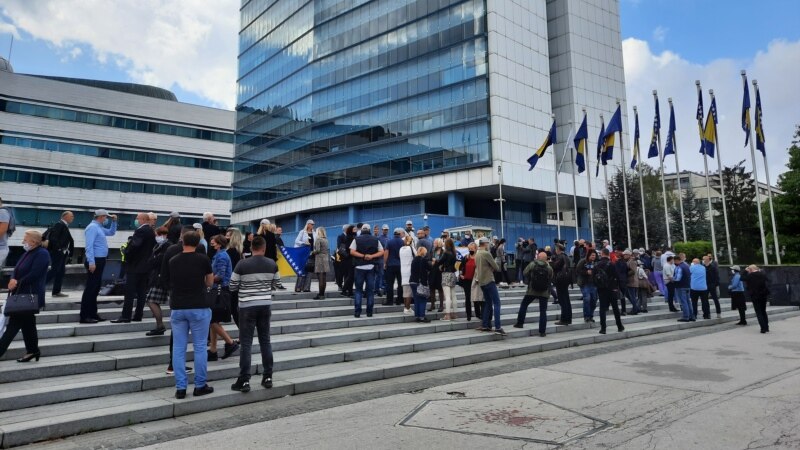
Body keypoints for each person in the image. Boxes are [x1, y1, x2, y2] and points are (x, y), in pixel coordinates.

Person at [163, 231, 214, 399]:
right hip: (198, 305)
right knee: (200, 347)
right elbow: (209, 282)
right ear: (198, 242)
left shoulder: (173, 260)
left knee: (178, 348)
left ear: (182, 241)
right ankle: (200, 385)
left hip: (178, 307)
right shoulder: (203, 259)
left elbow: (167, 281)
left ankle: (181, 388)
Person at [229, 236, 277, 392]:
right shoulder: (272, 264)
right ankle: (268, 376)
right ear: (264, 248)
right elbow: (276, 285)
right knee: (265, 341)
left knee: (246, 343)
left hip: (246, 307)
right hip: (264, 305)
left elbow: (232, 286)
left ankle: (244, 380)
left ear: (251, 248)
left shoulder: (242, 264)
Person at [0, 230, 49, 362]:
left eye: (25, 239)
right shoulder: (28, 253)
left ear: (33, 241)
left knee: (13, 325)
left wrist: (17, 282)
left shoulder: (42, 254)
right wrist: (12, 279)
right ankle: (33, 351)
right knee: (28, 324)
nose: (23, 242)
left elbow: (35, 274)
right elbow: (16, 270)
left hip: (29, 295)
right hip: (21, 293)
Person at [113, 212, 156, 323]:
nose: (136, 220)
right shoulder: (151, 231)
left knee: (129, 292)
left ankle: (126, 316)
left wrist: (126, 254)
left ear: (142, 219)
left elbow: (134, 246)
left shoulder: (141, 231)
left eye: (137, 218)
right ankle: (138, 315)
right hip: (145, 267)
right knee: (141, 292)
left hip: (135, 266)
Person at [80, 209, 117, 323]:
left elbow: (111, 232)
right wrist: (91, 262)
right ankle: (85, 315)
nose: (106, 219)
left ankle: (93, 313)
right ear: (101, 217)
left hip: (100, 260)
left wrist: (114, 222)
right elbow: (89, 246)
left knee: (95, 288)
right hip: (95, 260)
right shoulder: (92, 227)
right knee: (90, 288)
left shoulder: (99, 227)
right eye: (106, 217)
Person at [208, 235, 238, 361]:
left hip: (219, 290)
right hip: (219, 290)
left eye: (213, 242)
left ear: (219, 244)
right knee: (214, 320)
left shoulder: (221, 256)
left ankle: (230, 342)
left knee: (212, 319)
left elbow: (220, 275)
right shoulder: (220, 254)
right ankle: (213, 350)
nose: (211, 244)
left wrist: (206, 280)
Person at [514, 251, 553, 337]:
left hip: (532, 290)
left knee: (524, 304)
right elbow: (551, 277)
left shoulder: (533, 264)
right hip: (544, 292)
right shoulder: (548, 267)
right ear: (546, 259)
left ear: (538, 257)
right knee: (543, 311)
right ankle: (542, 332)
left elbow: (524, 272)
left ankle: (520, 323)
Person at [350, 223, 384, 318]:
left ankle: (357, 312)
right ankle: (369, 312)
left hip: (359, 267)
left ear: (362, 230)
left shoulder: (356, 239)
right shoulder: (375, 239)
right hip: (371, 267)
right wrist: (371, 256)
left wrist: (363, 256)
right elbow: (381, 251)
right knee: (370, 291)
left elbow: (352, 251)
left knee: (358, 290)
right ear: (369, 230)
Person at [144, 227, 171, 335]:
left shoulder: (167, 246)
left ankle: (160, 325)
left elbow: (157, 261)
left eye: (157, 235)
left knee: (151, 300)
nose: (156, 237)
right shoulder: (158, 246)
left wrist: (154, 259)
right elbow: (152, 261)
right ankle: (159, 325)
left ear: (162, 235)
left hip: (161, 278)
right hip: (156, 276)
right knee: (152, 301)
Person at [475, 237, 505, 336]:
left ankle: (485, 324)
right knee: (497, 303)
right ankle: (498, 327)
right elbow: (496, 267)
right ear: (485, 244)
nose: (489, 244)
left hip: (481, 282)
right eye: (488, 243)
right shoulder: (486, 254)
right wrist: (494, 264)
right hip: (489, 280)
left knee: (488, 303)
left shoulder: (477, 254)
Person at [44, 211, 75, 298]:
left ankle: (56, 291)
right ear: (65, 216)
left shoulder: (64, 225)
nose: (73, 218)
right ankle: (39, 286)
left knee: (60, 272)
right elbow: (54, 238)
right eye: (71, 216)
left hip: (62, 253)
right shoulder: (59, 225)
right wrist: (59, 249)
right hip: (57, 252)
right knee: (54, 270)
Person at [595, 248, 624, 334]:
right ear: (608, 254)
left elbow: (594, 277)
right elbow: (617, 277)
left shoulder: (597, 265)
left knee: (602, 309)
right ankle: (619, 326)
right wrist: (618, 288)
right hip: (612, 289)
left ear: (602, 254)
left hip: (601, 289)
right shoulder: (612, 264)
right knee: (615, 308)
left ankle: (603, 328)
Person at [741, 265, 770, 333]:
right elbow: (767, 281)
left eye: (749, 269)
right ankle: (766, 327)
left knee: (758, 312)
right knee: (763, 311)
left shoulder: (750, 276)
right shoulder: (762, 274)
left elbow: (741, 278)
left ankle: (763, 328)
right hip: (763, 295)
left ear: (750, 269)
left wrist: (745, 271)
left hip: (755, 296)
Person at [225, 228, 244, 326]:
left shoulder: (232, 251)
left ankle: (243, 333)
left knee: (234, 309)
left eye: (228, 236)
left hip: (232, 283)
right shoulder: (239, 251)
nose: (225, 237)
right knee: (235, 309)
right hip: (238, 282)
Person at [383, 227, 405, 306]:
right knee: (400, 284)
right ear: (400, 234)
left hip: (390, 265)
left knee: (390, 284)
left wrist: (385, 263)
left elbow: (386, 253)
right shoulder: (403, 242)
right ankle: (399, 300)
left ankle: (390, 301)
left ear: (394, 234)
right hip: (400, 265)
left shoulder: (389, 242)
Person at [551, 244, 572, 326]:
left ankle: (564, 319)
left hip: (561, 280)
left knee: (562, 300)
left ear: (558, 249)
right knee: (566, 299)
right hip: (566, 280)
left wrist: (552, 262)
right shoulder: (566, 257)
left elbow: (555, 266)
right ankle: (568, 318)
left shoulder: (560, 257)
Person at [409, 246, 431, 323]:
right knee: (422, 299)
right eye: (425, 252)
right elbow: (430, 268)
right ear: (423, 252)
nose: (426, 253)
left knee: (416, 300)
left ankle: (417, 316)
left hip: (412, 281)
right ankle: (422, 316)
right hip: (420, 282)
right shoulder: (423, 260)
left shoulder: (414, 259)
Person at [459, 242, 479, 321]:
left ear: (475, 249)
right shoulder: (466, 257)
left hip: (475, 280)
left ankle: (478, 313)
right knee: (468, 297)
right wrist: (461, 274)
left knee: (476, 297)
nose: (470, 250)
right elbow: (460, 267)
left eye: (472, 249)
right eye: (469, 249)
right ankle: (468, 315)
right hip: (466, 280)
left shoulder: (478, 258)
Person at [576, 250, 598, 323]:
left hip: (593, 284)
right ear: (588, 255)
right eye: (592, 255)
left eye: (594, 255)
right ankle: (587, 316)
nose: (593, 257)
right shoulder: (583, 261)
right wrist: (586, 272)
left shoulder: (595, 263)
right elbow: (577, 270)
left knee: (594, 300)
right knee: (587, 299)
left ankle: (591, 315)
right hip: (584, 283)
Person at [439, 238, 458, 321]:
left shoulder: (446, 253)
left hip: (446, 274)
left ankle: (447, 315)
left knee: (447, 296)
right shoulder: (454, 253)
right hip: (453, 274)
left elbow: (440, 261)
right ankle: (454, 314)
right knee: (453, 295)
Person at [294, 220, 315, 292]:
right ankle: (298, 287)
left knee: (309, 271)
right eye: (311, 224)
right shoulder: (302, 232)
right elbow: (296, 241)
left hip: (312, 254)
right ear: (308, 224)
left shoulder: (314, 233)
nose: (313, 225)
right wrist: (304, 243)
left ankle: (307, 287)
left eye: (313, 224)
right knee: (301, 270)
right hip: (303, 253)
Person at [399, 234, 416, 315]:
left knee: (405, 292)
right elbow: (416, 256)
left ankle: (406, 307)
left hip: (403, 271)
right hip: (410, 272)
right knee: (409, 292)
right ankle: (407, 308)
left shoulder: (401, 249)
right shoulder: (411, 248)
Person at [674, 255, 694, 322]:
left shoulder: (679, 267)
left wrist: (672, 279)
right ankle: (692, 316)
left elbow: (678, 278)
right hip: (687, 286)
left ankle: (686, 317)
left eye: (675, 261)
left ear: (677, 260)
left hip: (681, 286)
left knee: (683, 302)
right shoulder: (686, 266)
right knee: (688, 301)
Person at [312, 227, 330, 300]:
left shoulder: (318, 240)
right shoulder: (326, 240)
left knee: (320, 278)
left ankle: (320, 295)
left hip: (319, 259)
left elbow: (318, 250)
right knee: (324, 278)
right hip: (325, 259)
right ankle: (322, 294)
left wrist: (312, 252)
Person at [428, 238, 445, 313]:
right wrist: (431, 263)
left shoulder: (443, 252)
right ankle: (432, 305)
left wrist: (438, 262)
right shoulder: (432, 251)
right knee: (432, 288)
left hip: (440, 272)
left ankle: (441, 305)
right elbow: (428, 259)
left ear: (439, 244)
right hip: (432, 271)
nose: (434, 244)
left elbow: (445, 261)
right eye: (434, 243)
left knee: (440, 289)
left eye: (435, 243)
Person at [703, 254, 722, 319]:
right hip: (705, 285)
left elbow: (717, 276)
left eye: (704, 259)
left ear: (707, 260)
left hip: (712, 285)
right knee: (705, 300)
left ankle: (718, 312)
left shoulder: (713, 267)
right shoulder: (703, 267)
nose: (703, 261)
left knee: (715, 299)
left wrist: (715, 284)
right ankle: (707, 313)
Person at [340, 225, 356, 297]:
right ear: (351, 230)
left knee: (351, 276)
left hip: (350, 258)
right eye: (354, 229)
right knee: (350, 276)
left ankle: (350, 292)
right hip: (350, 259)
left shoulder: (352, 237)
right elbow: (349, 248)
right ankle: (344, 290)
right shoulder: (350, 237)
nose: (355, 229)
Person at [374, 225, 388, 296]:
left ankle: (384, 289)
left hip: (386, 259)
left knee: (385, 275)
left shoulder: (388, 238)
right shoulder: (379, 238)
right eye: (384, 230)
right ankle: (376, 289)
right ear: (382, 230)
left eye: (386, 230)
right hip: (380, 259)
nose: (385, 231)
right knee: (379, 275)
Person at [334, 225, 348, 292]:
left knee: (347, 272)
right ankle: (340, 285)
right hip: (341, 257)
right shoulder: (340, 236)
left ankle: (346, 285)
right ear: (345, 229)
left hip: (348, 257)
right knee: (340, 272)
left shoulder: (350, 236)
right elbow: (339, 246)